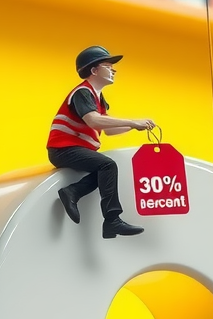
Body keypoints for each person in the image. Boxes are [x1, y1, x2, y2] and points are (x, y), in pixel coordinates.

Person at [48, 45, 157, 238]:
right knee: (107, 166)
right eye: (108, 65)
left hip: (74, 148)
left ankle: (72, 192)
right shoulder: (82, 93)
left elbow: (108, 130)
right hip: (63, 148)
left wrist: (134, 126)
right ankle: (112, 220)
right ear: (94, 70)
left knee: (104, 171)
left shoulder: (98, 98)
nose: (113, 70)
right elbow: (94, 120)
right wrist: (132, 121)